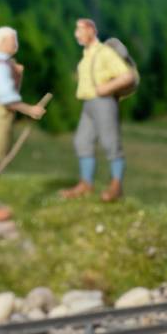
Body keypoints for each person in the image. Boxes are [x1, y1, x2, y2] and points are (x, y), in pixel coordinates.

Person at [0, 27, 47, 222]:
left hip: (2, 114)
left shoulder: (5, 64)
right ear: (3, 41)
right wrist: (30, 110)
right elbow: (6, 98)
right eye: (13, 40)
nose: (16, 44)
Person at [59, 18, 132, 202]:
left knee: (110, 143)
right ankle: (86, 183)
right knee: (82, 141)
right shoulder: (87, 54)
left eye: (80, 30)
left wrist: (106, 88)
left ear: (91, 30)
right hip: (88, 103)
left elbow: (127, 76)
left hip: (103, 102)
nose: (77, 34)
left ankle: (116, 185)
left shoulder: (104, 53)